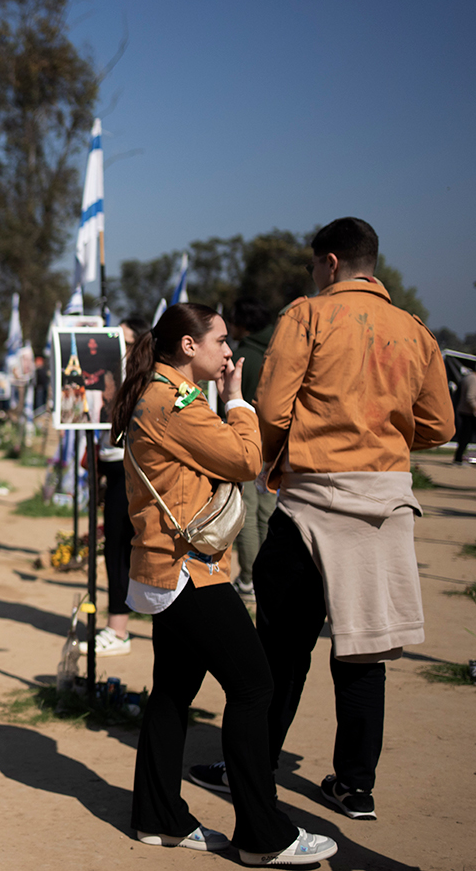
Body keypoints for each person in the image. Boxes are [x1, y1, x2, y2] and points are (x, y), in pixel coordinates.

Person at [193, 218, 454, 823]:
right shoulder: (415, 330)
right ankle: (354, 786)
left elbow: (275, 407)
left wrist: (273, 454)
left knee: (280, 649)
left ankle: (251, 765)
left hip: (312, 499)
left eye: (315, 266)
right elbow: (440, 426)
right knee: (365, 651)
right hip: (386, 504)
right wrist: (380, 426)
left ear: (330, 263)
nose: (314, 275)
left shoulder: (307, 315)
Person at [116, 303, 336, 866]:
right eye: (219, 341)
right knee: (255, 688)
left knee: (172, 692)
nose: (227, 351)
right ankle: (263, 834)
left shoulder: (167, 395)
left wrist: (222, 396)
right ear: (189, 347)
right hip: (189, 569)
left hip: (170, 565)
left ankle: (158, 817)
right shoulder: (172, 400)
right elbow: (244, 458)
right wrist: (239, 399)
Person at [82, 315, 150, 658]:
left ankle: (118, 627)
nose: (115, 348)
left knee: (121, 547)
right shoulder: (106, 373)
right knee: (115, 545)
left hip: (130, 465)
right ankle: (118, 623)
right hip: (109, 460)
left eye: (122, 341)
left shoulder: (143, 378)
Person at [226, 297, 277, 598]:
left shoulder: (243, 357)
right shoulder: (278, 352)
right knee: (267, 515)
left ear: (244, 325)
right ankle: (264, 577)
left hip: (246, 446)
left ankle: (248, 579)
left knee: (245, 515)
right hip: (274, 448)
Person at [454, 367, 476, 464]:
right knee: (465, 436)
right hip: (470, 412)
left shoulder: (467, 377)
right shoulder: (473, 379)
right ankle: (458, 458)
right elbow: (470, 397)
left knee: (465, 436)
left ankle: (458, 457)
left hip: (465, 411)